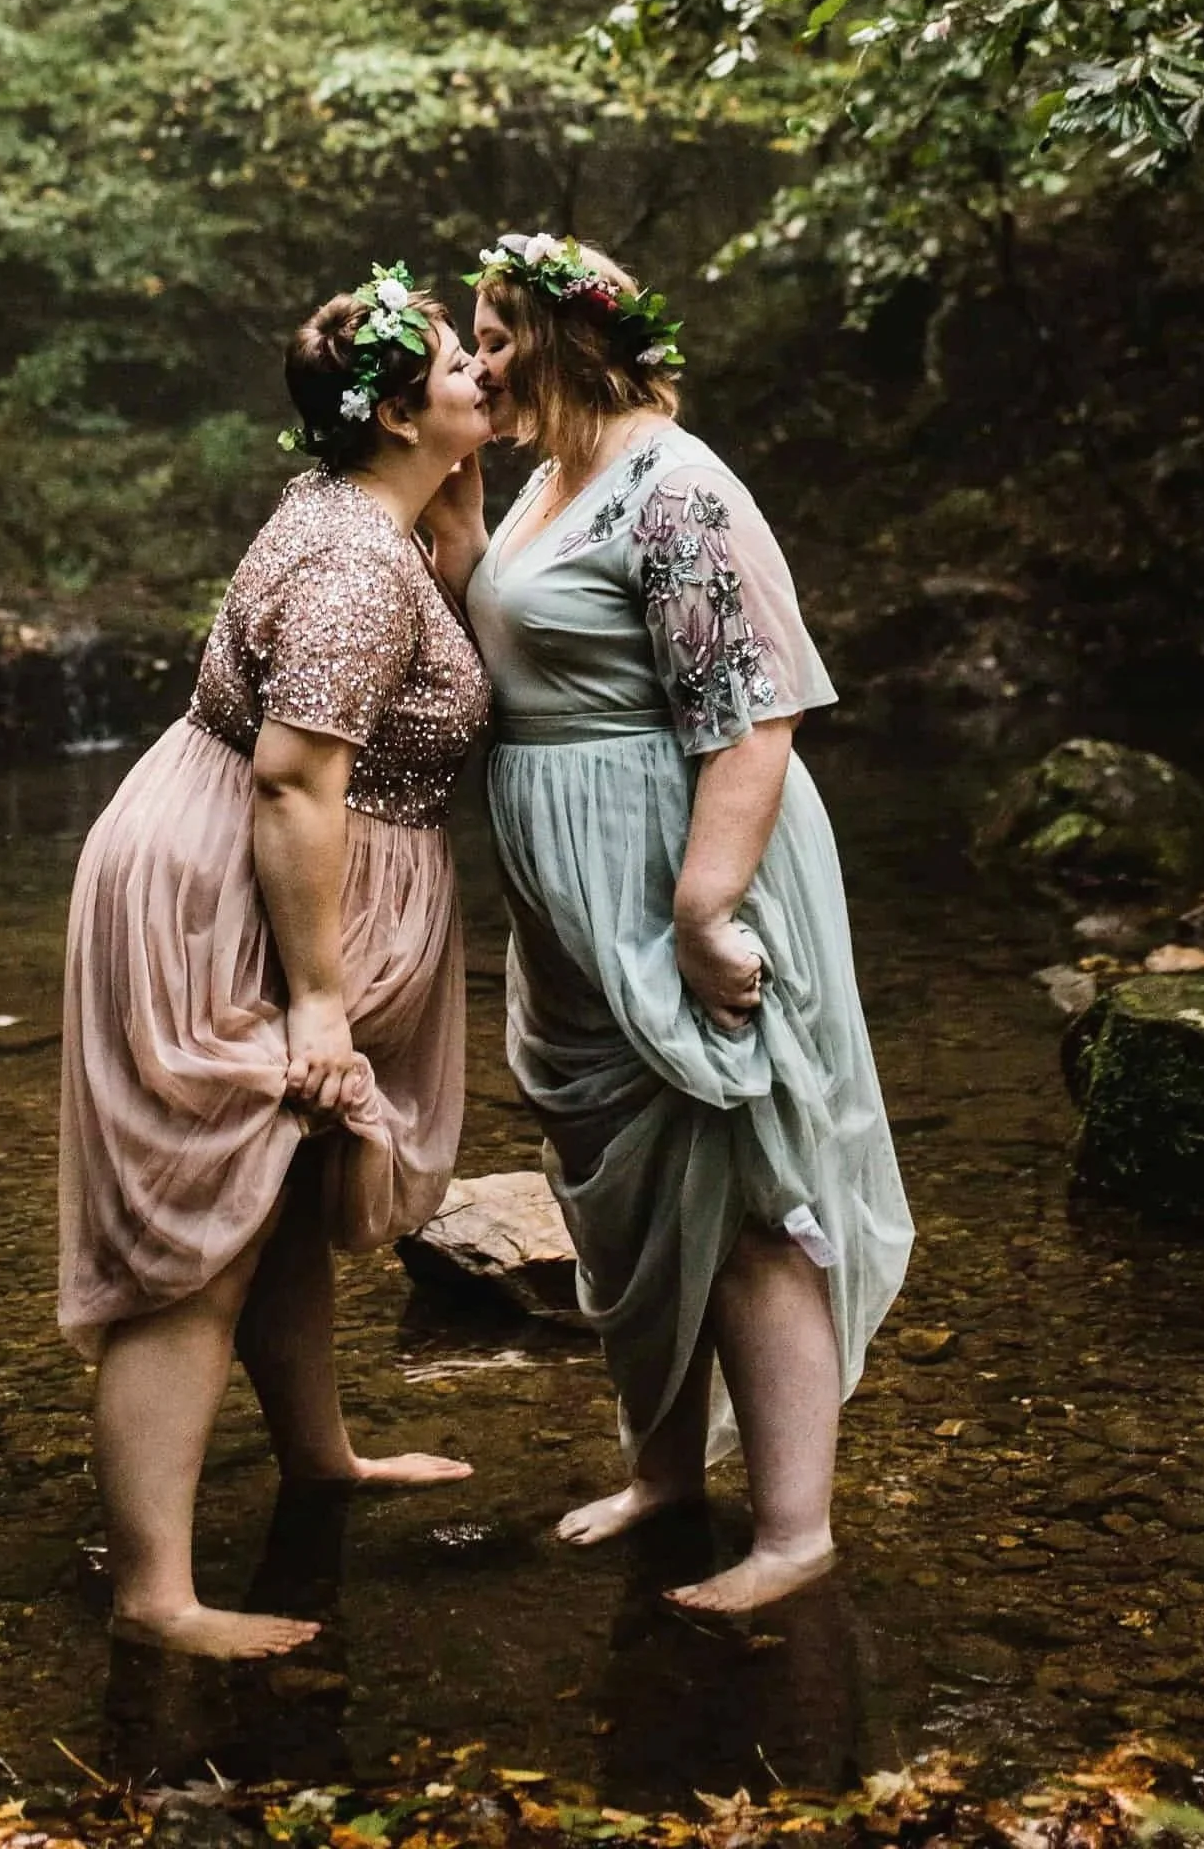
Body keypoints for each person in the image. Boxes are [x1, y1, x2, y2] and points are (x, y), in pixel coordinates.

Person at [452, 233, 913, 1615]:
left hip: (677, 867)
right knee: (624, 1192)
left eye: (493, 330)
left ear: (561, 334)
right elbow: (516, 634)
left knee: (748, 1183)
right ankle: (665, 1476)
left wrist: (706, 909)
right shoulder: (551, 480)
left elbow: (756, 715)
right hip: (571, 896)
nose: (476, 358)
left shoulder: (680, 484)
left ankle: (792, 1534)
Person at [58, 264, 493, 1659]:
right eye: (452, 366)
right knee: (201, 1233)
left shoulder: (371, 517)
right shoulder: (360, 566)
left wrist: (460, 531)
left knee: (284, 1190)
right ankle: (156, 1599)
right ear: (390, 413)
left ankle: (323, 1461)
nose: (482, 372)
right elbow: (299, 781)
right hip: (234, 891)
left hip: (257, 869)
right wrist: (318, 998)